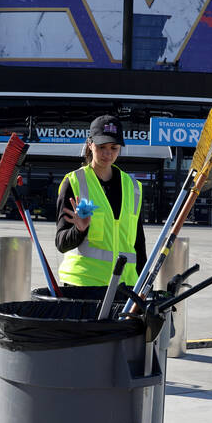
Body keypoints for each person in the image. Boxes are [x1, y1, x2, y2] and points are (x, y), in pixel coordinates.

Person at [54, 115, 147, 298]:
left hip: (124, 285)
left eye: (114, 148)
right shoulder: (75, 182)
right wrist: (79, 230)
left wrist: (143, 285)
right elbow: (61, 243)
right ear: (90, 144)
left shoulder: (133, 187)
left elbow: (138, 243)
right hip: (83, 285)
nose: (108, 154)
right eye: (101, 147)